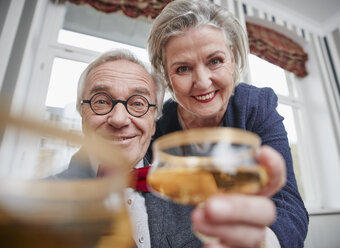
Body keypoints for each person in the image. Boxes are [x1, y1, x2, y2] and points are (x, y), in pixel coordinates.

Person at [146, 0, 309, 247]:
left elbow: (289, 206)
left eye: (214, 61)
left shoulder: (255, 106)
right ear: (166, 75)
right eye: (182, 68)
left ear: (232, 58)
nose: (202, 82)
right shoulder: (158, 126)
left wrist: (263, 241)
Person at [51, 49, 206, 247]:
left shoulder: (187, 197)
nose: (119, 119)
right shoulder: (32, 206)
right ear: (83, 116)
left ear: (153, 123)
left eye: (138, 104)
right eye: (101, 101)